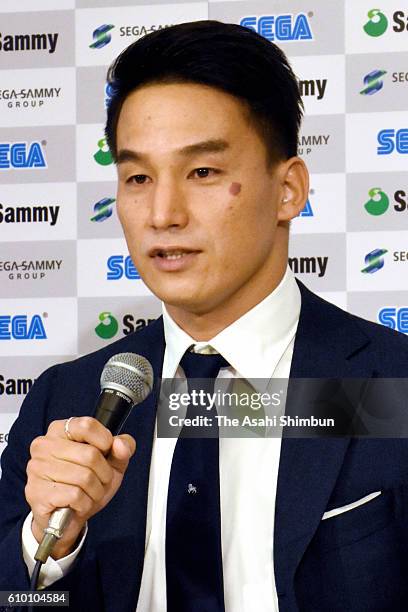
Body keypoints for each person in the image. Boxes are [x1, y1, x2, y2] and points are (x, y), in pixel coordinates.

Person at [1, 20, 408, 612]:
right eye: (138, 177)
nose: (163, 213)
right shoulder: (67, 401)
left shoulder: (391, 387)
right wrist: (46, 545)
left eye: (203, 172)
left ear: (289, 189)